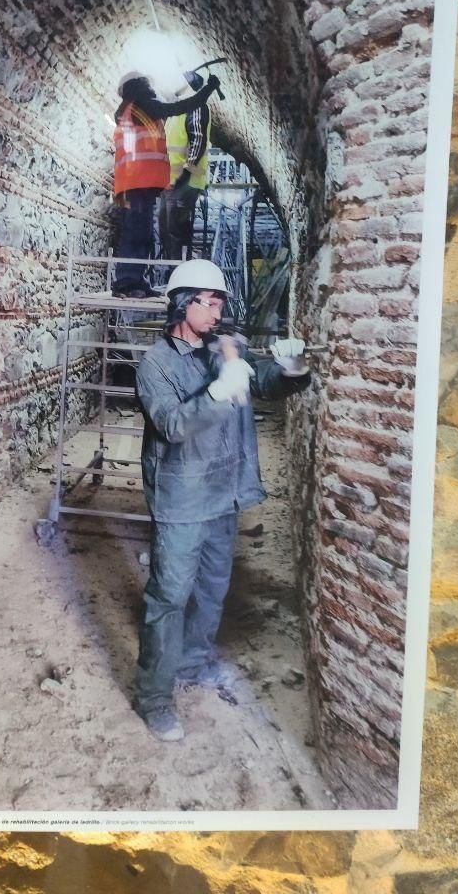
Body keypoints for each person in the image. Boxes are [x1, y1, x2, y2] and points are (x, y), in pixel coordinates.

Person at [132, 258, 311, 741]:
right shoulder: (154, 365)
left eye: (219, 304)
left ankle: (192, 662)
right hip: (183, 499)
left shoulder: (225, 349)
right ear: (180, 304)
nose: (215, 313)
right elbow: (171, 425)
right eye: (206, 304)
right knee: (169, 597)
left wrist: (292, 369)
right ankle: (153, 696)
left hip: (222, 495)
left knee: (211, 588)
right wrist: (217, 392)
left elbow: (266, 382)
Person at [113, 70, 220, 297]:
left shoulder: (131, 109)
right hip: (138, 181)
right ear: (141, 85)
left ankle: (135, 280)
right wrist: (207, 90)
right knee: (138, 232)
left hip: (136, 181)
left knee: (141, 232)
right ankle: (127, 282)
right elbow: (176, 108)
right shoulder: (143, 105)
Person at [159, 70, 211, 263]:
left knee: (175, 231)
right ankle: (173, 271)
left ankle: (178, 272)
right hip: (171, 181)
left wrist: (186, 174)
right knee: (165, 228)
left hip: (186, 181)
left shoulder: (196, 106)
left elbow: (198, 140)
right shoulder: (176, 111)